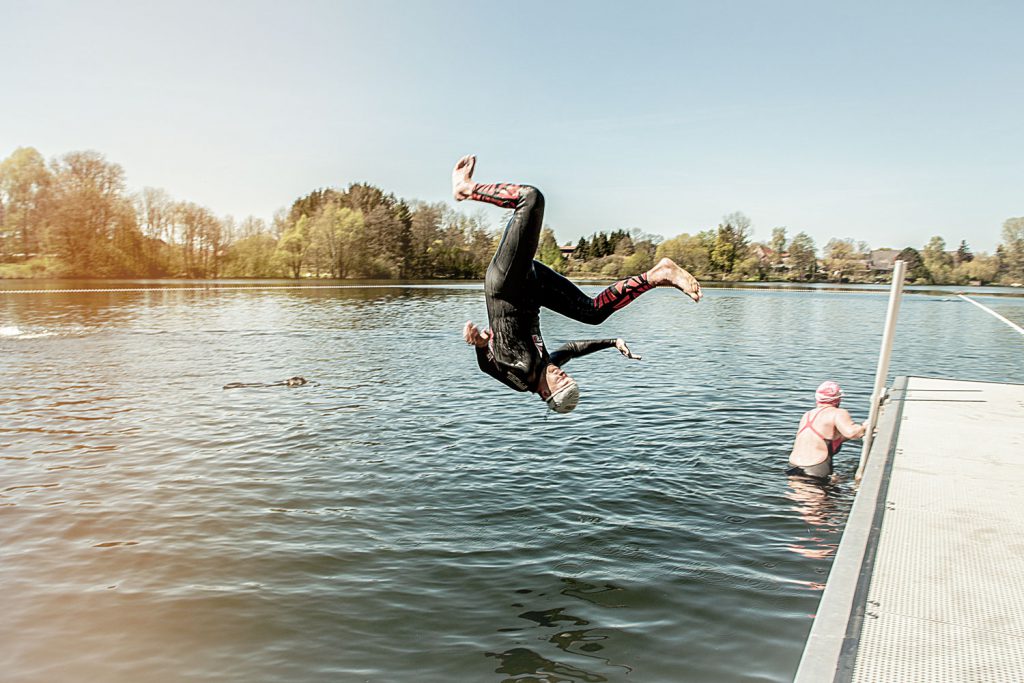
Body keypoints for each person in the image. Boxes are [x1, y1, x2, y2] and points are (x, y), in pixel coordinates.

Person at [453, 154, 702, 413]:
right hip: (532, 288)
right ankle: (657, 275)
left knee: (531, 199)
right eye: (567, 377)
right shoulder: (546, 365)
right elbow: (572, 349)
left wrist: (482, 347)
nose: (563, 375)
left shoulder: (523, 375)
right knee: (593, 313)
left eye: (561, 382)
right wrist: (612, 342)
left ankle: (466, 188)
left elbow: (489, 367)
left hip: (506, 286)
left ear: (546, 393)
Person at [786, 381, 866, 480]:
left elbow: (827, 439)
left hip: (793, 466)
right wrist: (865, 426)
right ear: (838, 399)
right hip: (815, 468)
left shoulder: (807, 415)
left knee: (797, 494)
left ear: (817, 399)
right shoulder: (837, 413)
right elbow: (853, 433)